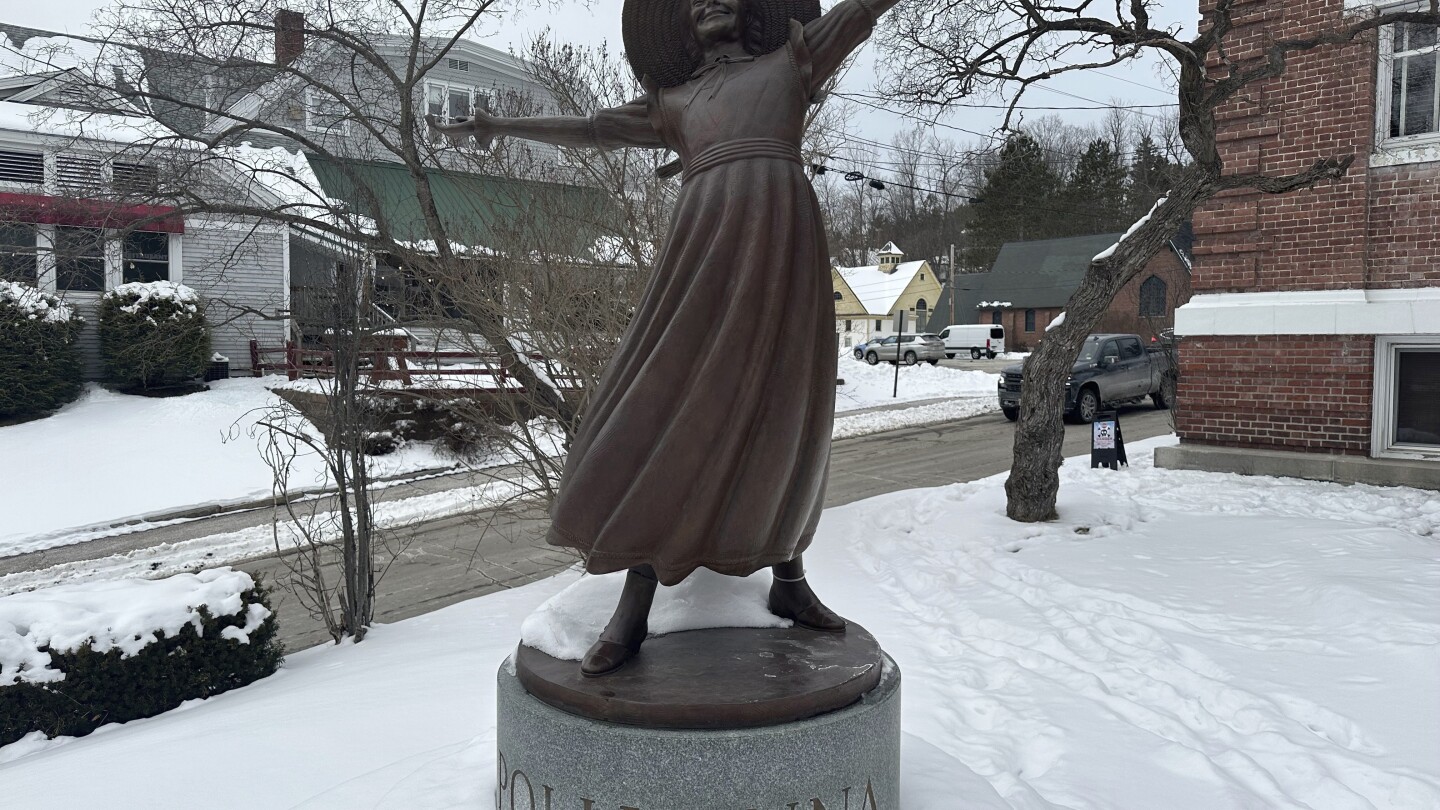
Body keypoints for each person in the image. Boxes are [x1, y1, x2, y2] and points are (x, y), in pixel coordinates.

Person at [430, 0, 900, 677]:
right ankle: (635, 601)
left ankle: (790, 582)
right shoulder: (673, 101)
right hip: (705, 245)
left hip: (785, 241)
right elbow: (592, 129)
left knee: (782, 403)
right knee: (671, 401)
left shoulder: (791, 60)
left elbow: (858, 13)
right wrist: (502, 124)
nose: (709, 1)